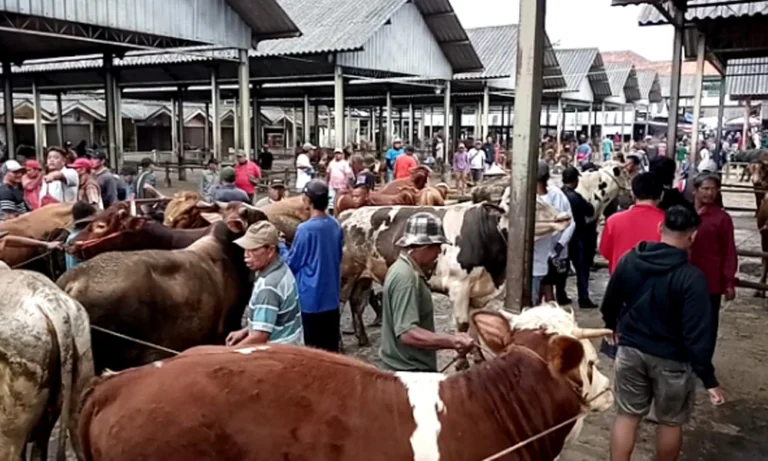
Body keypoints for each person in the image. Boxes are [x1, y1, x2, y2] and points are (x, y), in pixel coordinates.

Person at [602, 206, 725, 461]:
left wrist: (612, 325)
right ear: (693, 236)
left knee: (627, 415)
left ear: (660, 228)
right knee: (670, 422)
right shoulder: (692, 279)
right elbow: (696, 336)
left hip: (630, 351)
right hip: (672, 360)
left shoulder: (630, 259)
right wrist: (709, 379)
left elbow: (610, 301)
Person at [379, 212, 475, 372]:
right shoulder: (406, 278)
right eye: (436, 246)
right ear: (423, 247)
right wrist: (452, 341)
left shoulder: (404, 269)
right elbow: (408, 333)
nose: (438, 253)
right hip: (409, 372)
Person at [279, 180, 343, 352]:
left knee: (312, 350)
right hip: (331, 296)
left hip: (309, 300)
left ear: (308, 200)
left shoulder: (305, 229)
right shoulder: (336, 225)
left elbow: (292, 262)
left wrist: (281, 246)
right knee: (330, 349)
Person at [226, 221, 304, 346]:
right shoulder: (281, 267)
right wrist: (246, 331)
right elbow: (270, 319)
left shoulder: (269, 286)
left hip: (277, 353)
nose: (246, 255)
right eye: (246, 248)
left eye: (253, 249)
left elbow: (260, 337)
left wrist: (230, 353)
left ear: (270, 250)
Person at [690, 174, 737, 343]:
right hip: (683, 279)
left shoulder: (722, 219)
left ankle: (702, 365)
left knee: (707, 326)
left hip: (711, 282)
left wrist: (729, 282)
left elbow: (729, 251)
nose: (710, 193)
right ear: (695, 191)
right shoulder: (683, 214)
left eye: (714, 189)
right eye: (705, 188)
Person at [600, 173, 665, 274]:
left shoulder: (613, 221)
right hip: (657, 284)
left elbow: (606, 253)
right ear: (661, 195)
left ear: (633, 195)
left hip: (621, 282)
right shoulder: (668, 223)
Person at [532, 161, 574, 305]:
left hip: (551, 255)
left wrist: (559, 246)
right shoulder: (528, 196)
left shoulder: (555, 195)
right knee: (539, 295)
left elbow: (569, 222)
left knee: (545, 294)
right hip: (537, 259)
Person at [561, 166, 597, 308]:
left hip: (561, 236)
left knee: (562, 268)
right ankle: (583, 297)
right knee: (582, 268)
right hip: (577, 236)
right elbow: (590, 211)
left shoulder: (558, 194)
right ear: (575, 180)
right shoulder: (576, 197)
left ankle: (561, 294)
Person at [327, 148, 353, 215]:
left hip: (341, 185)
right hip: (332, 185)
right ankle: (331, 215)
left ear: (342, 154)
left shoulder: (345, 163)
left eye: (339, 153)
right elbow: (328, 173)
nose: (337, 155)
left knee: (339, 200)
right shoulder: (331, 163)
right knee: (331, 200)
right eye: (336, 153)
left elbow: (347, 174)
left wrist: (345, 183)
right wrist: (327, 182)